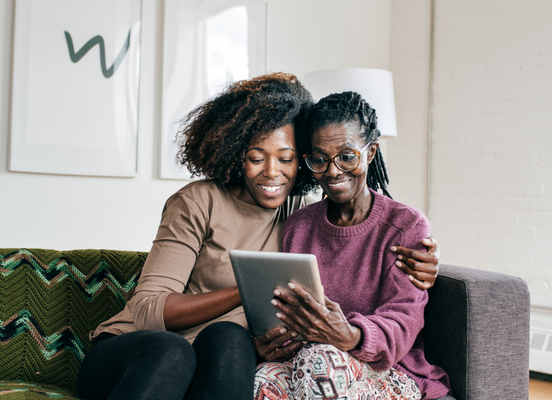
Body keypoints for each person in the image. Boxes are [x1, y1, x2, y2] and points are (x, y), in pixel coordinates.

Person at [76, 74, 441, 400]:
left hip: (214, 355)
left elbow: (366, 235)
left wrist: (426, 263)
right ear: (237, 155)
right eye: (256, 157)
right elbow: (147, 309)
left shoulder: (299, 212)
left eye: (285, 159)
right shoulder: (200, 201)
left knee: (231, 340)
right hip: (141, 356)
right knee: (173, 352)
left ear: (299, 162)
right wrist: (248, 286)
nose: (272, 172)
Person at [253, 92, 451, 400]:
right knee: (262, 377)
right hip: (313, 363)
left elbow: (404, 322)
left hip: (391, 371)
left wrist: (350, 335)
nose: (332, 171)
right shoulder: (298, 226)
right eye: (319, 159)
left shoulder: (406, 226)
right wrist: (273, 340)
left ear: (370, 152)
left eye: (347, 156)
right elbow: (289, 310)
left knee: (319, 359)